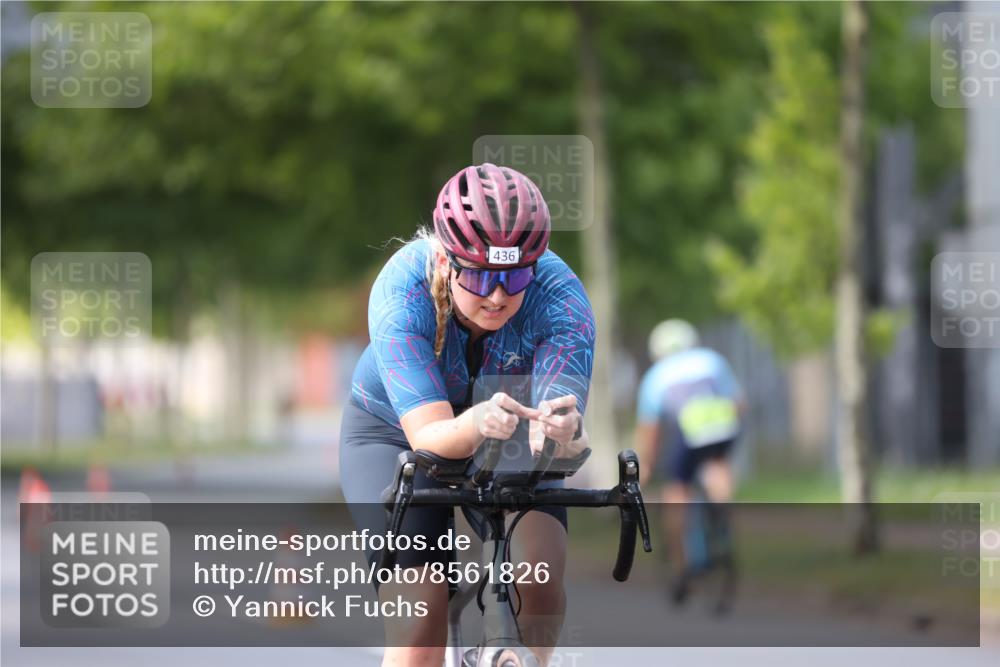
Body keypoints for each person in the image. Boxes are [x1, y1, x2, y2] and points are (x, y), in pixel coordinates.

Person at [340, 163, 595, 667]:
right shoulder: (401, 291)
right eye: (480, 276)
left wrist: (565, 432)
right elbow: (430, 436)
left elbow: (564, 433)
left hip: (508, 420)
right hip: (395, 431)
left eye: (516, 275)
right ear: (444, 262)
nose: (498, 296)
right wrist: (476, 422)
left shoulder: (562, 300)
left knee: (538, 584)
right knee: (418, 624)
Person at [634, 319, 744, 603]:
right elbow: (738, 403)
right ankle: (722, 511)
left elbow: (651, 430)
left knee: (676, 490)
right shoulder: (712, 360)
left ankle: (681, 566)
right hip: (722, 426)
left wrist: (645, 467)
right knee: (716, 465)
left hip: (689, 430)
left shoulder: (656, 376)